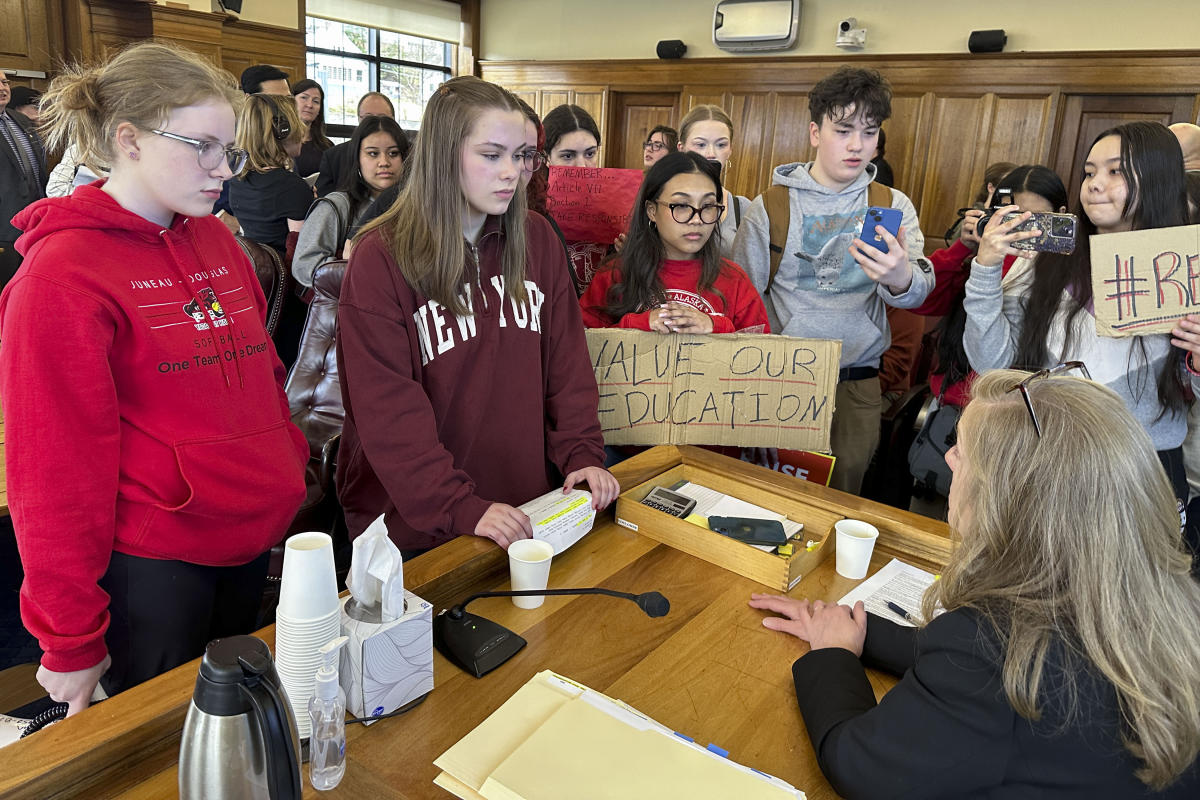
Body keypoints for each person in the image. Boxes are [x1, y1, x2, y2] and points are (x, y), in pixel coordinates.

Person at [0, 41, 307, 715]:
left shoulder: (215, 239)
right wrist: (70, 639)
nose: (223, 169)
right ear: (127, 139)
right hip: (155, 565)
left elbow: (262, 373)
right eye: (200, 145)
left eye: (229, 149)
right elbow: (51, 471)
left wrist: (283, 455)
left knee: (239, 735)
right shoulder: (61, 278)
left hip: (248, 536)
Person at [750, 368, 1200, 798]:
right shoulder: (1155, 602)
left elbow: (858, 766)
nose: (947, 458)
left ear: (1005, 500)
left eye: (960, 450)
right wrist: (856, 630)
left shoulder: (987, 646)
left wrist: (833, 653)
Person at [336, 76, 618, 555]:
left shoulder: (538, 238)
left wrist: (582, 455)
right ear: (445, 154)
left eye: (524, 155)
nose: (513, 172)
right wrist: (458, 503)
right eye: (492, 155)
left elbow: (567, 365)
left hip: (529, 507)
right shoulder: (380, 256)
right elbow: (387, 409)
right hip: (422, 523)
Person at [965, 122, 1200, 562]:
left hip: (1140, 471)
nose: (1095, 185)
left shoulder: (1184, 271)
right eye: (1090, 172)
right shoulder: (1049, 258)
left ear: (1159, 178)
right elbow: (991, 361)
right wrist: (984, 269)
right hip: (1047, 457)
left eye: (1116, 172)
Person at [732, 66, 933, 496]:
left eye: (869, 131)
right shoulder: (772, 207)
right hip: (781, 379)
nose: (857, 145)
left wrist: (901, 277)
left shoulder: (890, 205)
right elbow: (742, 299)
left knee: (842, 498)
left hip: (857, 381)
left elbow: (917, 293)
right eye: (843, 130)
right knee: (770, 495)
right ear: (815, 132)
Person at [580, 151, 767, 335]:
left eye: (708, 206)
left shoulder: (735, 280)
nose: (697, 219)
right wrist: (635, 324)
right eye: (682, 205)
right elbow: (580, 344)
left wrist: (716, 326)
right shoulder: (614, 275)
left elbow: (765, 353)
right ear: (652, 211)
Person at [291, 115, 406, 287]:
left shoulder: (416, 206)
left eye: (393, 153)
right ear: (357, 158)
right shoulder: (337, 206)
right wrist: (357, 269)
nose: (384, 162)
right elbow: (304, 267)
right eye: (373, 154)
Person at [228, 92, 311, 253]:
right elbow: (301, 253)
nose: (302, 130)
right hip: (285, 275)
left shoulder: (237, 179)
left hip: (257, 271)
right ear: (283, 130)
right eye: (298, 122)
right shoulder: (290, 186)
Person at [543, 103, 609, 290]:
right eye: (568, 156)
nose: (581, 166)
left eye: (590, 154)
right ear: (546, 157)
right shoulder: (531, 206)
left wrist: (628, 250)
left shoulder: (617, 204)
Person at [677, 105, 749, 261]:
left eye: (721, 145)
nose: (711, 154)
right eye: (701, 145)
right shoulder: (660, 201)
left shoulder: (744, 209)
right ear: (681, 148)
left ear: (730, 150)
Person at [0, 70, 48, 287]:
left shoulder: (20, 120)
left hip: (36, 222)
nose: (3, 88)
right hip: (4, 229)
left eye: (4, 82)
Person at [316, 91, 396, 197]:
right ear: (359, 119)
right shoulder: (334, 157)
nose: (375, 123)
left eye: (382, 117)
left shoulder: (410, 153)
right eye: (368, 118)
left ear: (393, 119)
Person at [291, 78, 333, 178]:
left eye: (316, 101)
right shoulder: (279, 144)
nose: (309, 105)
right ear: (291, 101)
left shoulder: (328, 147)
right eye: (304, 98)